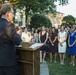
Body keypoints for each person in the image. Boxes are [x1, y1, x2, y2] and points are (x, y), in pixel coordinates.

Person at [0, 4, 22, 75]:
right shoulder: (9, 25)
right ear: (7, 14)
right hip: (9, 64)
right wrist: (18, 34)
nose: (13, 15)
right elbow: (17, 41)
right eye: (12, 13)